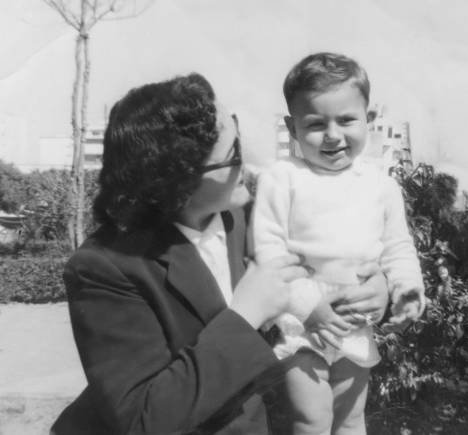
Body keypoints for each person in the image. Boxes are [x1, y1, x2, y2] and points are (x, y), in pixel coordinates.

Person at [50, 73, 389, 435]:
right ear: (179, 181)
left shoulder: (245, 217)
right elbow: (143, 419)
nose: (251, 161)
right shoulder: (105, 267)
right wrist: (245, 314)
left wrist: (376, 286)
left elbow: (328, 260)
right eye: (234, 153)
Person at [252, 53, 426, 435]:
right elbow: (268, 252)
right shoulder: (282, 178)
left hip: (355, 322)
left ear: (370, 120)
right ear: (292, 127)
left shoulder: (380, 185)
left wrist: (407, 289)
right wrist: (306, 305)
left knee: (351, 419)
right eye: (315, 124)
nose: (333, 135)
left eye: (346, 120)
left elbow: (397, 247)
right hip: (303, 325)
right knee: (311, 420)